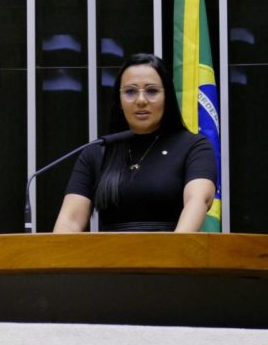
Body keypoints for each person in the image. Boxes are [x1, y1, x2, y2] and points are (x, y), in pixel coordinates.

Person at [53, 53, 216, 233]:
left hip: (172, 254)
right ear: (119, 101)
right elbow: (70, 221)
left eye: (152, 91)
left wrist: (172, 254)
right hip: (108, 258)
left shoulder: (194, 147)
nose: (141, 100)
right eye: (130, 92)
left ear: (167, 98)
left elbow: (198, 200)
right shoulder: (97, 152)